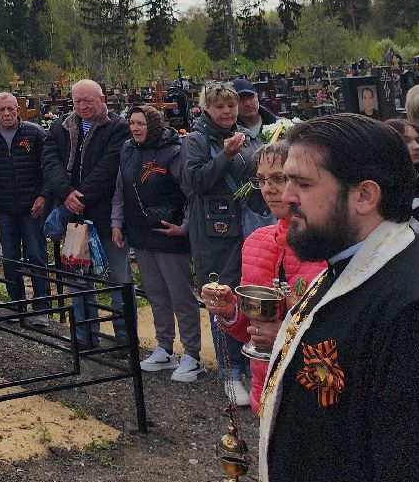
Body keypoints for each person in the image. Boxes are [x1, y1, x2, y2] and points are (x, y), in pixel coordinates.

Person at [258, 114, 419, 482]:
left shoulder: (415, 307)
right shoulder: (343, 265)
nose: (286, 196)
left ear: (364, 195)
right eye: (284, 180)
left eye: (302, 183)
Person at [200, 142, 325, 413]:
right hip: (265, 388)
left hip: (317, 392)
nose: (268, 189)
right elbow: (252, 328)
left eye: (279, 178)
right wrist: (230, 311)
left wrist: (285, 336)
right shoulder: (256, 242)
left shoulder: (330, 246)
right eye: (261, 180)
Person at [181, 81, 258, 406]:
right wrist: (226, 155)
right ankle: (230, 373)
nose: (227, 111)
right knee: (220, 298)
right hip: (214, 232)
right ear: (207, 108)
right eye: (220, 106)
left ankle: (254, 366)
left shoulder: (247, 136)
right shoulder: (195, 141)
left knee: (249, 296)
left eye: (231, 105)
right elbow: (195, 181)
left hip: (247, 227)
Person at [114, 105, 201, 382]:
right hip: (141, 233)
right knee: (156, 294)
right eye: (132, 123)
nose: (135, 128)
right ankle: (164, 348)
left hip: (169, 234)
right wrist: (117, 223)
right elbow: (121, 189)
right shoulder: (127, 149)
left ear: (153, 125)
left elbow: (191, 192)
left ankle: (192, 354)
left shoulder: (173, 151)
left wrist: (185, 227)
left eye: (140, 123)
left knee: (180, 296)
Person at [43, 79, 130, 349]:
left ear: (101, 100)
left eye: (88, 101)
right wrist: (66, 193)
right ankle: (85, 337)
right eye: (78, 101)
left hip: (106, 216)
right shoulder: (61, 126)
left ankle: (124, 340)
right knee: (78, 281)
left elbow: (109, 167)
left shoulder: (117, 127)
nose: (83, 106)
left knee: (119, 281)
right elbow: (50, 161)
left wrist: (78, 197)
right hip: (74, 220)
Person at [0, 91, 52, 318]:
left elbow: (48, 167)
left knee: (37, 256)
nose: (7, 113)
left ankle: (42, 307)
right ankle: (17, 304)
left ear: (18, 110)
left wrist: (43, 196)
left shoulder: (34, 133)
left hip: (32, 206)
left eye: (11, 108)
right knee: (9, 257)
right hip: (4, 207)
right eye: (2, 109)